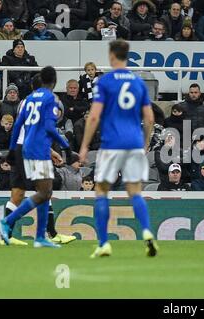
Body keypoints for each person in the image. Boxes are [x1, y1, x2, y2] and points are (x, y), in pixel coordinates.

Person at [79, 40, 158, 258]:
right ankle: (147, 232)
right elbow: (149, 118)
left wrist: (84, 146)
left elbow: (94, 116)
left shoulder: (105, 82)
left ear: (112, 55)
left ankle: (104, 243)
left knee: (102, 190)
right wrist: (144, 142)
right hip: (133, 143)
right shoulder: (138, 82)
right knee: (134, 191)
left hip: (111, 144)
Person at [0, 66, 72, 248]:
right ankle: (7, 222)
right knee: (44, 192)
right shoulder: (51, 99)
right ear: (54, 81)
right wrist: (66, 146)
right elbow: (49, 128)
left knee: (42, 191)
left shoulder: (28, 100)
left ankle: (40, 237)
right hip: (38, 148)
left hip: (26, 147)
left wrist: (13, 149)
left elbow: (18, 124)